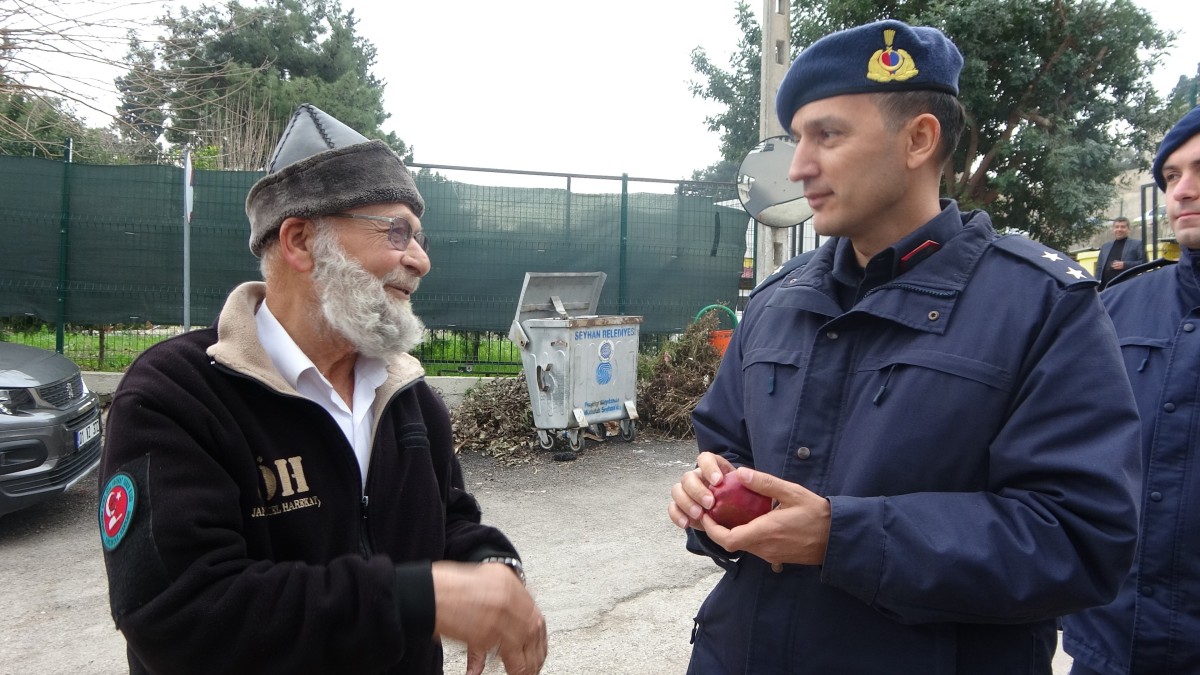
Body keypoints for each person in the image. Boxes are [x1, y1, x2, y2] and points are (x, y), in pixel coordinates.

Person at [667, 19, 1142, 674]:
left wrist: (844, 537)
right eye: (796, 138)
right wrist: (707, 499)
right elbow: (726, 448)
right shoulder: (779, 300)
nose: (799, 165)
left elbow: (1082, 540)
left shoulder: (1042, 306)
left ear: (919, 139)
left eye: (827, 135)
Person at [97, 104, 547, 675]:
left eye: (420, 235)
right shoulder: (175, 396)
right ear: (301, 241)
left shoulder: (406, 395)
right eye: (397, 232)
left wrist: (489, 561)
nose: (422, 260)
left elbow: (447, 520)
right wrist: (415, 598)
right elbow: (178, 612)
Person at [1062, 105, 1200, 674]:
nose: (1183, 191)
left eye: (1199, 171)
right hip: (1110, 644)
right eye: (1171, 177)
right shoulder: (1116, 306)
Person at [1094, 216, 1147, 288]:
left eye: (1122, 227)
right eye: (1117, 227)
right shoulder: (1105, 246)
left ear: (1128, 229)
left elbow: (1145, 263)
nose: (1119, 229)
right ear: (1113, 229)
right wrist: (1096, 284)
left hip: (1126, 288)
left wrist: (1125, 265)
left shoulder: (1137, 244)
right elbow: (1099, 268)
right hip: (1105, 289)